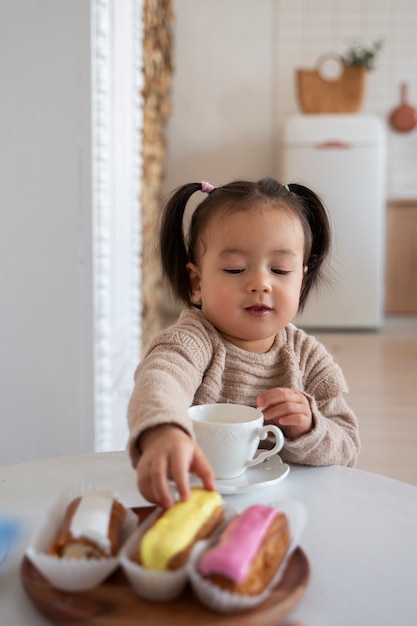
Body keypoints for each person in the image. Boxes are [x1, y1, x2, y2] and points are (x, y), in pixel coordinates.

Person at [127, 177, 360, 507]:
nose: (260, 283)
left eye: (280, 270)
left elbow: (347, 446)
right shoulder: (191, 341)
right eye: (236, 269)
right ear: (197, 282)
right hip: (194, 500)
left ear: (301, 280)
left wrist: (309, 426)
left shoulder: (308, 357)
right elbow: (160, 381)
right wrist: (164, 431)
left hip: (285, 507)